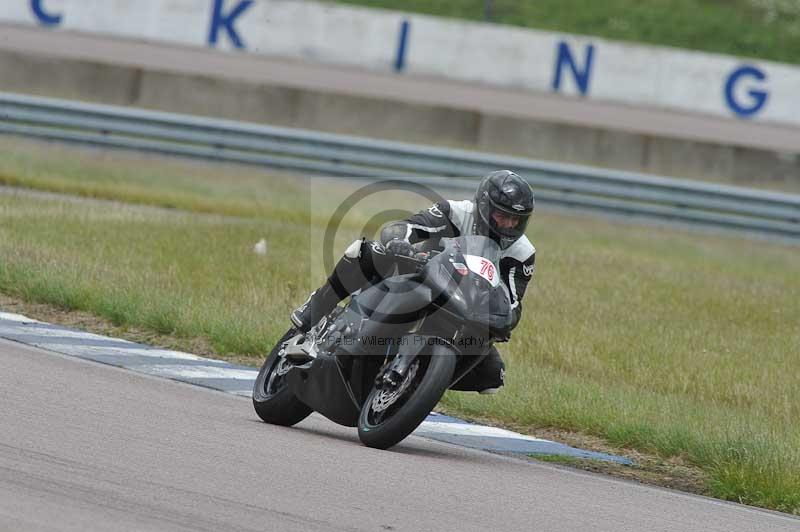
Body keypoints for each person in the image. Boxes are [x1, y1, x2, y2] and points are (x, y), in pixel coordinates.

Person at [291, 170, 536, 394]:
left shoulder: (522, 253)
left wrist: (504, 319)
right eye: (502, 216)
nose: (509, 224)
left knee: (492, 376)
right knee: (368, 251)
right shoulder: (456, 212)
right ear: (483, 205)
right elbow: (409, 226)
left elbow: (512, 300)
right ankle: (315, 309)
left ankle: (419, 383)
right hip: (424, 279)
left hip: (464, 309)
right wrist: (400, 240)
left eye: (516, 219)